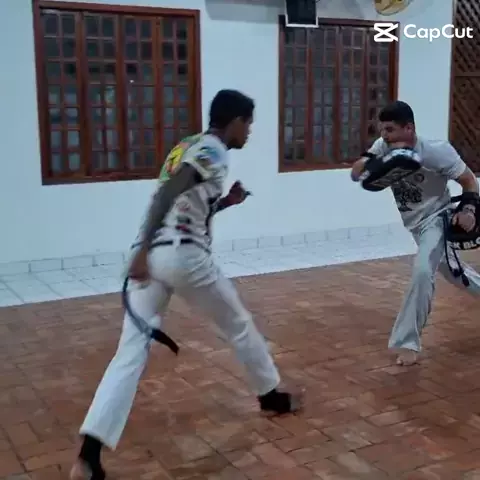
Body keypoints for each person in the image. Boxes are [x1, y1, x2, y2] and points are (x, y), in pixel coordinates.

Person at [70, 89, 303, 480]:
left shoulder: (187, 146)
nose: (249, 132)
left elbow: (185, 201)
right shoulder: (215, 150)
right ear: (234, 121)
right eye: (248, 124)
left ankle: (88, 456)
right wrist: (144, 249)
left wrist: (226, 202)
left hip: (153, 256)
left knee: (129, 353)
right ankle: (270, 395)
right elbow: (168, 192)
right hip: (181, 256)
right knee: (238, 322)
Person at [351, 100, 480, 367]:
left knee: (422, 272)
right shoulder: (383, 146)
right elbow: (357, 171)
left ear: (408, 128)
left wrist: (468, 210)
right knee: (454, 273)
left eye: (390, 130)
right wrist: (364, 166)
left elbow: (469, 180)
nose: (384, 135)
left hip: (437, 218)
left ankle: (407, 342)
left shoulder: (437, 152)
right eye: (382, 130)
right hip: (414, 224)